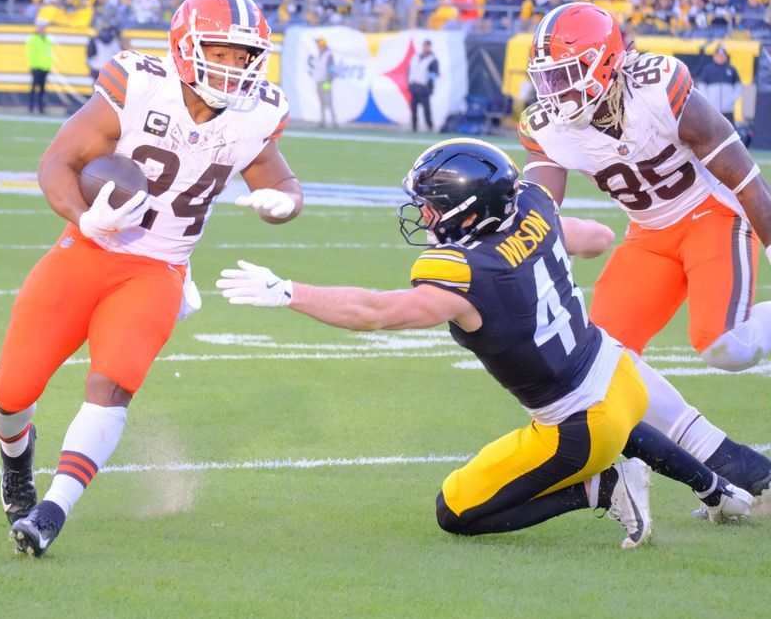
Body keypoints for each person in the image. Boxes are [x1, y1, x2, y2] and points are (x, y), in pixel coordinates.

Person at [216, 139, 752, 547]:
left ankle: (599, 489)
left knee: (455, 513)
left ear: (466, 210)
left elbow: (375, 312)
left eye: (430, 204)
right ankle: (717, 490)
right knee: (614, 419)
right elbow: (600, 238)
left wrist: (287, 291)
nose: (424, 214)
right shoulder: (533, 209)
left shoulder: (467, 271)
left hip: (580, 425)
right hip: (619, 372)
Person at [0, 0, 300, 558]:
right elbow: (57, 163)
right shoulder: (137, 86)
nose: (234, 68)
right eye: (221, 52)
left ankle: (52, 511)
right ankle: (16, 462)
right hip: (88, 250)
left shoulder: (258, 114)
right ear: (186, 46)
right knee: (13, 392)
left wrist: (284, 202)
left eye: (244, 56)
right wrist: (86, 218)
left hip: (160, 269)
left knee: (111, 384)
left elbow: (277, 179)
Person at [519, 2, 771, 508]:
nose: (556, 92)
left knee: (724, 348)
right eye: (548, 80)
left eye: (567, 75)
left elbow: (741, 172)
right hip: (649, 234)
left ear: (606, 61)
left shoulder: (659, 85)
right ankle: (720, 457)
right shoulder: (546, 126)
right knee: (601, 360)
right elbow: (541, 207)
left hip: (711, 216)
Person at [696, 45, 741, 125]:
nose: (720, 57)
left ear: (726, 57)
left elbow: (738, 86)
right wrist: (708, 100)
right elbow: (702, 86)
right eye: (718, 55)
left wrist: (731, 99)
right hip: (712, 109)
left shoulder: (731, 69)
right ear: (714, 56)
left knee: (729, 130)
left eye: (722, 56)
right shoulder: (708, 69)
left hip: (728, 110)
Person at [407, 39, 439, 132]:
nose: (425, 48)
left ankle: (430, 127)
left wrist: (429, 82)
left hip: (424, 88)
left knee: (426, 109)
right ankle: (414, 127)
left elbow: (434, 73)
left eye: (427, 46)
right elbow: (410, 71)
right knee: (413, 109)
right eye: (424, 46)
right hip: (414, 86)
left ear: (430, 47)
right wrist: (410, 83)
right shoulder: (415, 57)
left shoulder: (433, 59)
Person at [26, 18, 53, 115]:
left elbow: (48, 53)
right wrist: (33, 65)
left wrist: (49, 65)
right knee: (34, 88)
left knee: (42, 89)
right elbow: (31, 53)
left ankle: (41, 108)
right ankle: (31, 107)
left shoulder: (46, 39)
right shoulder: (33, 38)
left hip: (45, 67)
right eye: (42, 27)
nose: (44, 29)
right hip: (36, 67)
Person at [311, 37, 337, 128]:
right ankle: (323, 121)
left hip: (326, 82)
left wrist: (329, 81)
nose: (317, 46)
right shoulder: (320, 54)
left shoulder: (329, 55)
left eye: (318, 44)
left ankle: (334, 121)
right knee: (321, 102)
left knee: (328, 101)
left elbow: (332, 69)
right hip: (319, 81)